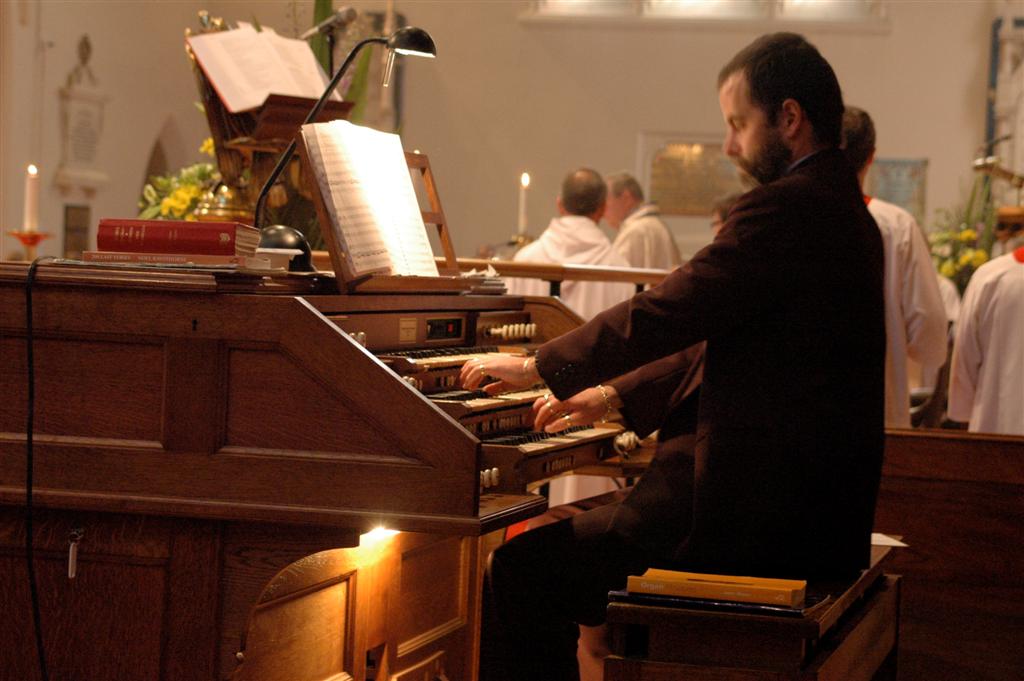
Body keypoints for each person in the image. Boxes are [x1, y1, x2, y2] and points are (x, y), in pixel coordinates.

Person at [463, 32, 885, 681]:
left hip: (753, 523)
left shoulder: (790, 206)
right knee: (554, 538)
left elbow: (673, 307)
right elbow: (715, 333)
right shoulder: (844, 209)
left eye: (738, 124)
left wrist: (540, 365)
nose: (730, 146)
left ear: (789, 118)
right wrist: (609, 395)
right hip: (805, 511)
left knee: (520, 567)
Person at [841, 106, 948, 428]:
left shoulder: (786, 217)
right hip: (877, 409)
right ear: (871, 157)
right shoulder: (896, 225)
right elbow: (929, 334)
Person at [506, 168, 635, 321]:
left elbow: (508, 321)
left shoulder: (524, 261)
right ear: (603, 208)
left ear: (559, 204)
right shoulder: (621, 270)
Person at [947, 246, 1024, 435]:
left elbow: (965, 360)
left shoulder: (990, 276)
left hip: (996, 427)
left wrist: (964, 414)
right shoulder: (991, 276)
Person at [604, 172, 683, 269]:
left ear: (626, 198)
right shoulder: (657, 225)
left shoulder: (635, 231)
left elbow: (618, 275)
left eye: (606, 200)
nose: (603, 209)